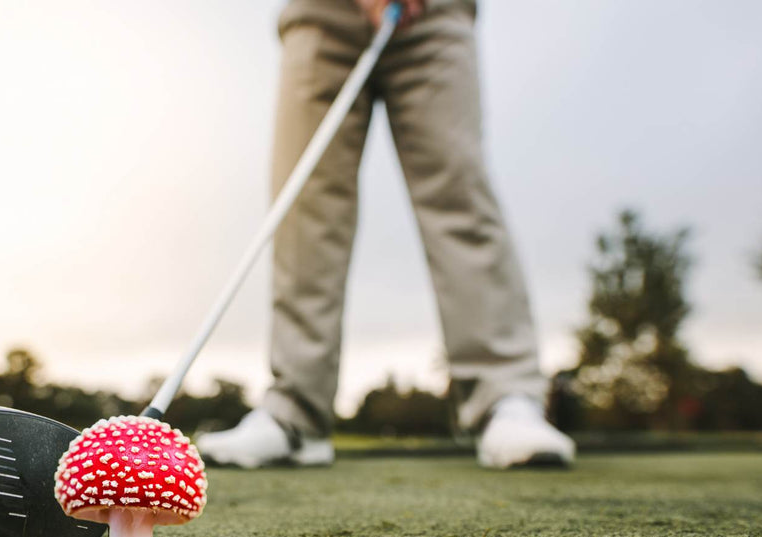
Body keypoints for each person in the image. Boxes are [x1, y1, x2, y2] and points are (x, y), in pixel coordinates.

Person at [196, 0, 574, 469]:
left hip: (433, 16)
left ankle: (507, 398)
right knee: (304, 205)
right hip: (320, 16)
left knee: (458, 191)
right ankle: (295, 415)